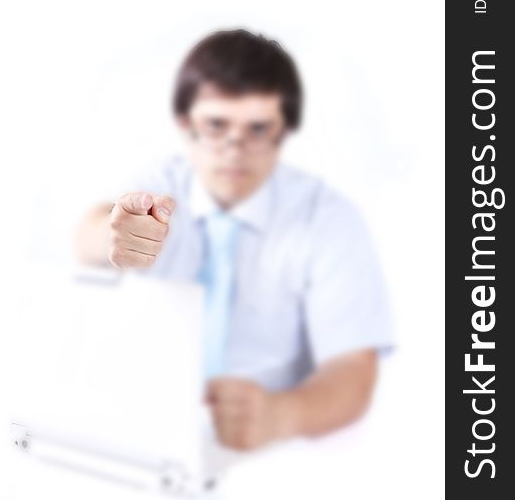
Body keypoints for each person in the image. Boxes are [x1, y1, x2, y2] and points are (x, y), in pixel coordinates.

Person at [75, 28, 396, 452]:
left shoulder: (330, 220)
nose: (234, 149)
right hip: (141, 439)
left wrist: (281, 413)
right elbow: (90, 233)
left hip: (267, 457)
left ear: (284, 131)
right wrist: (115, 236)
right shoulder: (162, 184)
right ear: (185, 124)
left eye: (258, 129)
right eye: (216, 125)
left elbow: (354, 370)